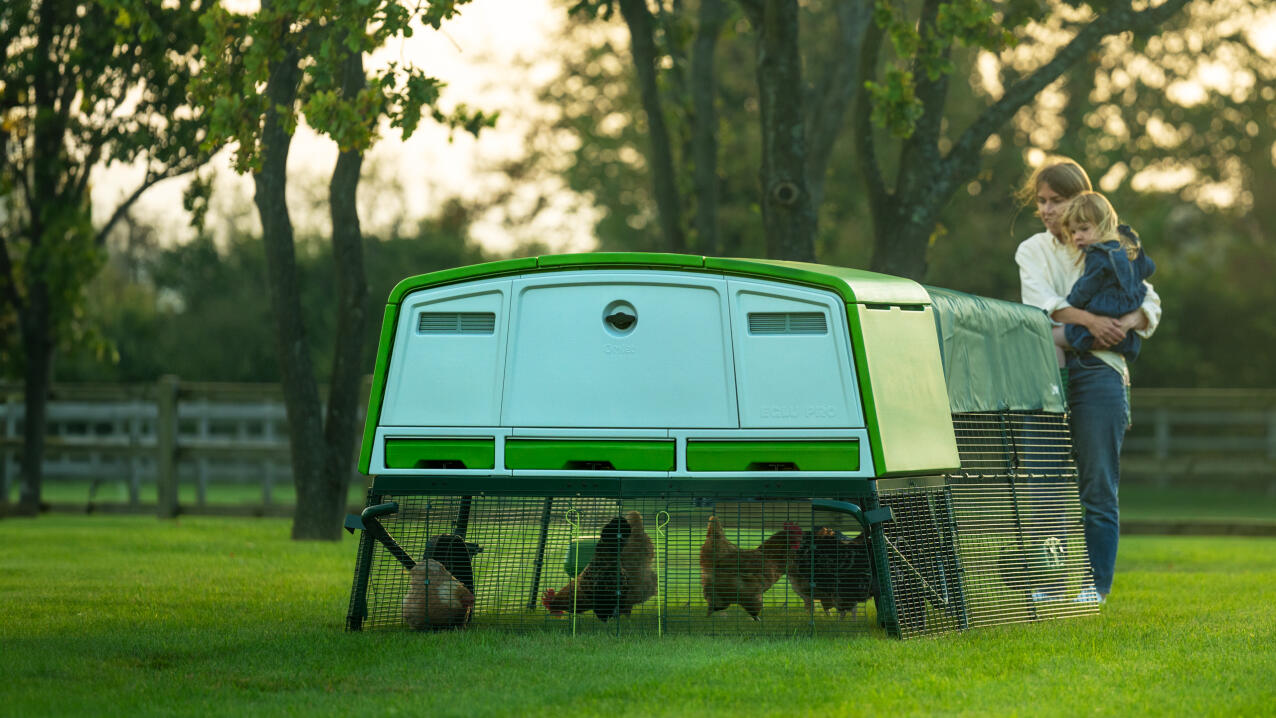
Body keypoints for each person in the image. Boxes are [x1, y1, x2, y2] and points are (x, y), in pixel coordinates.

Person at [1014, 159, 1162, 605]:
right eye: (1041, 201)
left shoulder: (1114, 245)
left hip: (1102, 372)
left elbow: (1150, 299)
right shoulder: (1032, 250)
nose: (1046, 209)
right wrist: (1096, 322)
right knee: (1044, 484)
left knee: (1097, 483)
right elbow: (1044, 306)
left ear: (1080, 199)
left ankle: (1094, 587)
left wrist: (1128, 321)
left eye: (1056, 200)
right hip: (1048, 372)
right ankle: (1049, 582)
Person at [1054, 191, 1157, 363]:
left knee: (1050, 338)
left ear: (1103, 225)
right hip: (1125, 333)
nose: (1077, 236)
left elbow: (1086, 288)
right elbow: (1149, 267)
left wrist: (1071, 302)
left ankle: (1059, 387)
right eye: (1072, 232)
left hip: (1101, 328)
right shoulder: (1129, 251)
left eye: (1084, 228)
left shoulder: (1097, 255)